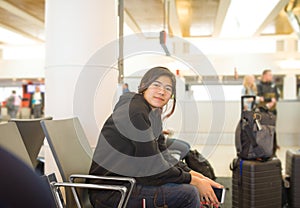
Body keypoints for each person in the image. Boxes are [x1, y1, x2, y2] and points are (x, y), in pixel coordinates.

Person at [89, 66, 223, 208]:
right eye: (156, 85)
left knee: (191, 187)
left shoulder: (153, 114)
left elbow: (163, 155)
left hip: (130, 182)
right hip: (112, 192)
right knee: (188, 193)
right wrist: (193, 181)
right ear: (144, 86)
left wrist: (196, 175)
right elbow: (152, 169)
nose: (161, 91)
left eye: (168, 88)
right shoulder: (135, 112)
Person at [257, 69, 280, 154]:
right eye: (269, 75)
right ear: (264, 75)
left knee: (273, 128)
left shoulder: (274, 85)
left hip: (273, 111)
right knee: (264, 129)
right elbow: (260, 97)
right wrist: (270, 100)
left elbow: (277, 96)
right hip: (263, 111)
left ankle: (274, 146)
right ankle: (265, 147)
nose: (271, 76)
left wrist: (273, 101)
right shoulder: (259, 85)